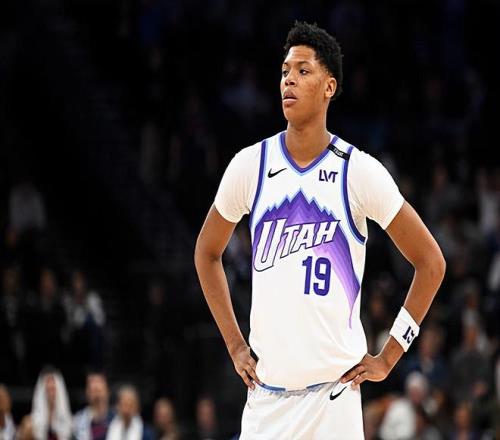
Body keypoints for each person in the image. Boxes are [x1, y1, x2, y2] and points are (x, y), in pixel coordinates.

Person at [194, 21, 446, 438]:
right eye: (284, 71)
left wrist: (389, 356)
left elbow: (431, 262)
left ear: (329, 86)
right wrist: (235, 345)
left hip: (334, 401)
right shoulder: (250, 166)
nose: (288, 80)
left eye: (302, 70)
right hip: (267, 400)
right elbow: (206, 252)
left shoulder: (358, 171)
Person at [31, 367, 72, 440]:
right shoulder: (31, 423)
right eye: (48, 389)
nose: (51, 393)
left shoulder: (70, 422)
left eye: (53, 389)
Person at [73, 371, 114, 440]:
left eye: (99, 391)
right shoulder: (78, 420)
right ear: (87, 393)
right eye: (93, 391)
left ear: (107, 392)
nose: (97, 396)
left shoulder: (117, 419)